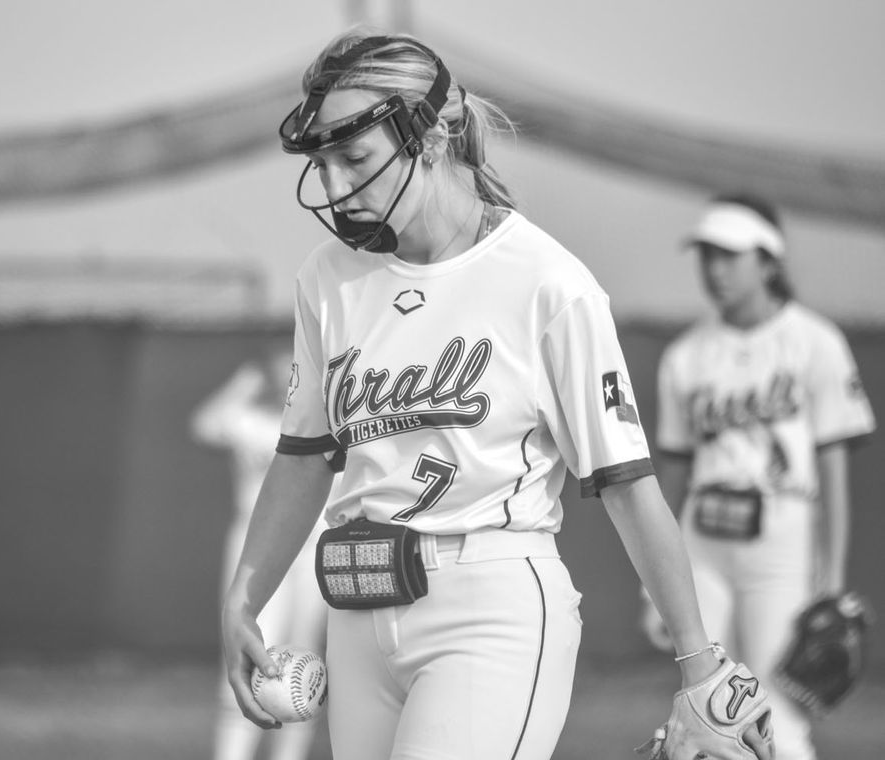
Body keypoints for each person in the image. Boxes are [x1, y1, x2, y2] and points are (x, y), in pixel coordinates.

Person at [221, 29, 772, 760]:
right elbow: (301, 458)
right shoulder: (328, 277)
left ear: (433, 138)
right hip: (355, 614)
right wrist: (243, 600)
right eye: (321, 162)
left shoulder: (547, 282)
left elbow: (627, 485)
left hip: (488, 610)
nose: (333, 183)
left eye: (352, 156)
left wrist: (699, 665)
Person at [645, 193, 876, 760]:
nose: (714, 269)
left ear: (769, 261)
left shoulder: (816, 342)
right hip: (702, 536)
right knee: (699, 697)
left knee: (779, 708)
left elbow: (831, 464)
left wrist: (833, 575)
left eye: (729, 255)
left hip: (781, 534)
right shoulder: (685, 355)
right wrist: (653, 580)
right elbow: (673, 469)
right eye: (706, 254)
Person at [191, 341, 328, 760]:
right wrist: (247, 379)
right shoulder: (248, 419)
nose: (285, 371)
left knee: (306, 661)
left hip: (312, 551)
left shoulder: (321, 421)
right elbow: (204, 424)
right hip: (254, 547)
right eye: (279, 364)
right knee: (246, 653)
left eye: (294, 364)